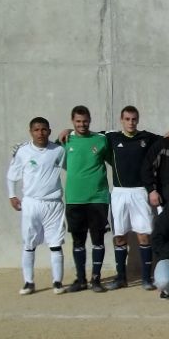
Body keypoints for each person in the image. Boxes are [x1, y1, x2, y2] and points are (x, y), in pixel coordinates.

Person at [103, 106, 162, 291]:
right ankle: (121, 278)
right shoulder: (111, 137)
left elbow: (166, 140)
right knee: (119, 236)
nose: (131, 122)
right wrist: (68, 131)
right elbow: (86, 134)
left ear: (138, 120)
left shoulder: (146, 137)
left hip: (140, 192)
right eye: (127, 119)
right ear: (122, 120)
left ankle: (146, 278)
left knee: (144, 235)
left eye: (134, 119)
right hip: (119, 193)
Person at [7, 117, 67, 295]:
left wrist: (69, 132)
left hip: (53, 204)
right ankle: (29, 282)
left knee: (56, 244)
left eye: (44, 130)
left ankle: (57, 282)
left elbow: (73, 166)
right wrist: (12, 195)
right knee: (29, 243)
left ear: (49, 131)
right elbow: (12, 175)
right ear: (31, 131)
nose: (40, 133)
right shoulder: (23, 151)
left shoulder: (58, 150)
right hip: (31, 203)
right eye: (37, 130)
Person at [61, 106, 111, 293]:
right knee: (78, 241)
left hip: (97, 198)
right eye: (78, 121)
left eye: (85, 121)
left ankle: (96, 279)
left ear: (90, 120)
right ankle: (80, 280)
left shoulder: (101, 140)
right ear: (73, 121)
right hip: (74, 198)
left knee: (98, 239)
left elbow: (114, 159)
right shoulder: (66, 140)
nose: (82, 124)